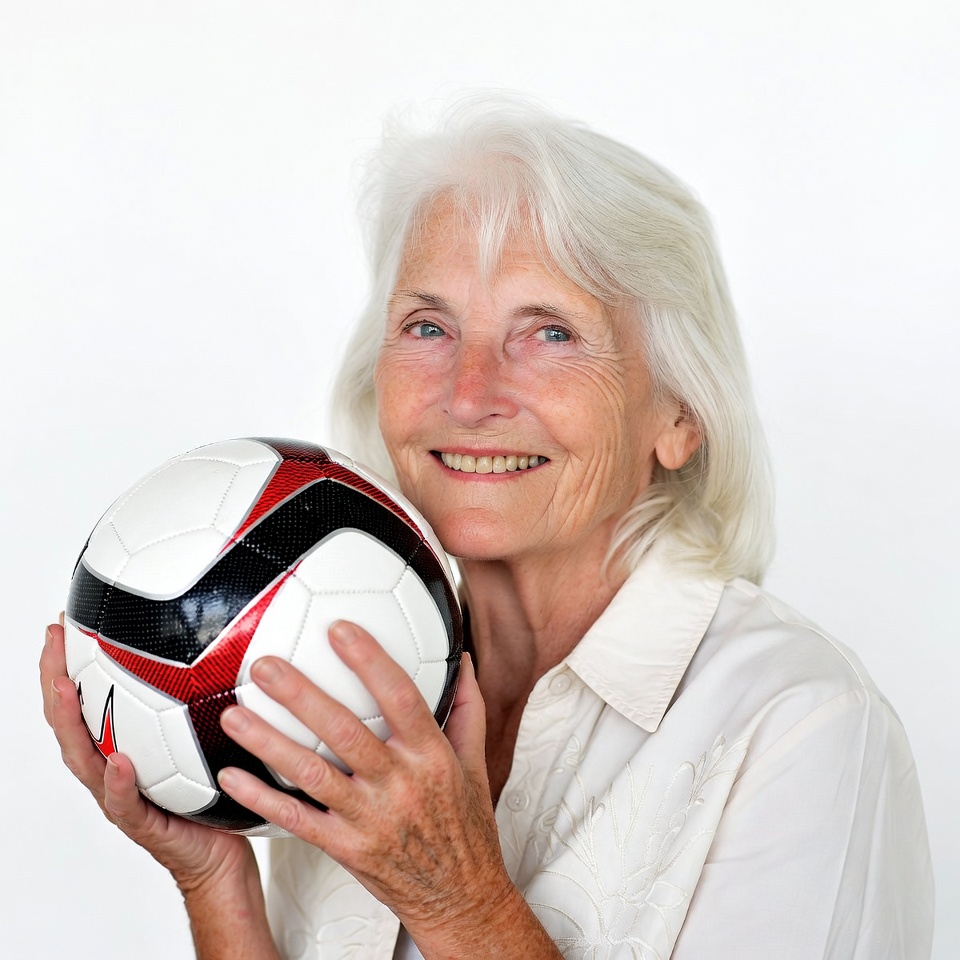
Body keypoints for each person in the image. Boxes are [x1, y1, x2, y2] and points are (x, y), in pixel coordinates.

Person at [40, 95, 934, 959]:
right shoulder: (343, 674)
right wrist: (214, 882)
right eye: (428, 326)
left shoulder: (803, 727)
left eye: (549, 333)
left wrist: (454, 900)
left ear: (680, 417)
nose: (468, 396)